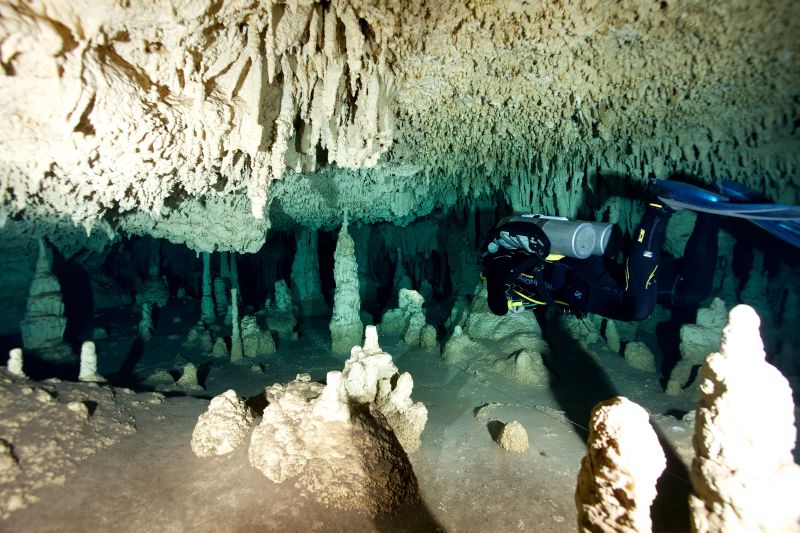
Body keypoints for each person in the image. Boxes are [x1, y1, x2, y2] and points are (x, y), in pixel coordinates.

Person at [481, 190, 721, 321]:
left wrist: (509, 303)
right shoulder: (504, 259)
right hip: (593, 271)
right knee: (692, 292)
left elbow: (497, 307)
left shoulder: (497, 263)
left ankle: (660, 207)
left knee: (637, 310)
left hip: (583, 283)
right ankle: (710, 215)